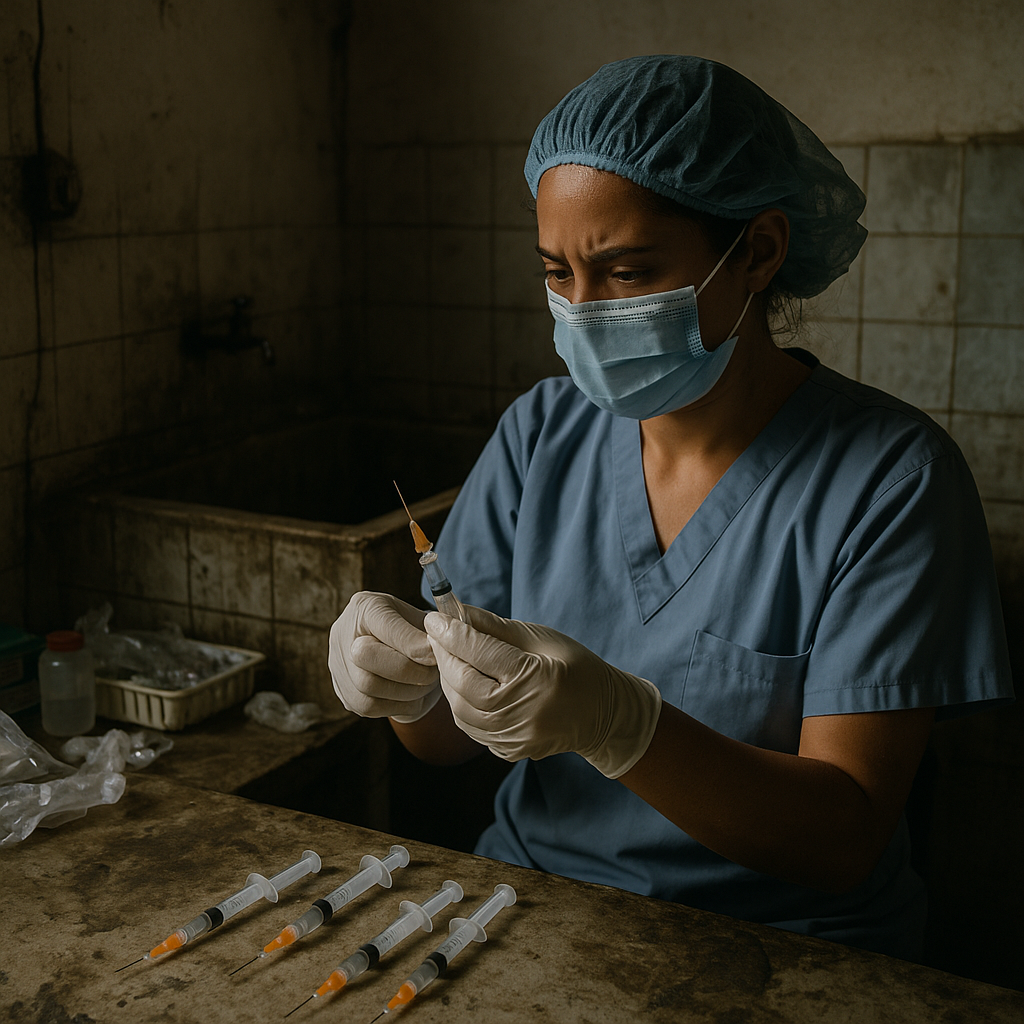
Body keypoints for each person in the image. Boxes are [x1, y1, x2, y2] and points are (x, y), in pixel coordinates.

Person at [329, 55, 1014, 961]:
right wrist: (403, 687)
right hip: (530, 912)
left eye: (624, 272)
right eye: (557, 274)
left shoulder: (890, 481)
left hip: (784, 950)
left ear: (758, 252)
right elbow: (448, 742)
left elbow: (842, 838)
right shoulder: (543, 434)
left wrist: (624, 725)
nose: (581, 311)